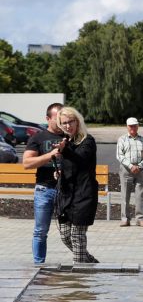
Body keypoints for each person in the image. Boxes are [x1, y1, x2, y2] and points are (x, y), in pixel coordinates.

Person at [54, 106, 99, 263]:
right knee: (65, 235)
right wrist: (59, 173)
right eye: (64, 123)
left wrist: (64, 150)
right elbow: (69, 166)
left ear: (77, 121)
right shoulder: (67, 142)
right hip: (67, 196)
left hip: (84, 195)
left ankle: (79, 277)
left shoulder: (88, 141)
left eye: (70, 122)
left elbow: (80, 159)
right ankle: (90, 262)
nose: (68, 126)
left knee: (77, 236)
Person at [22, 102, 65, 264]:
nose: (62, 121)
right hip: (45, 189)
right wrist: (50, 155)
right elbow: (27, 163)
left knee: (73, 230)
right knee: (40, 231)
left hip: (67, 190)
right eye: (57, 118)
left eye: (64, 117)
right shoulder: (38, 138)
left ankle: (79, 263)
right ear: (48, 118)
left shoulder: (70, 136)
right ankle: (39, 264)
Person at [116, 116, 143, 227]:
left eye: (135, 125)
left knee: (140, 194)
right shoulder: (122, 139)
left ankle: (140, 219)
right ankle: (125, 219)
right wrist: (130, 166)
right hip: (126, 169)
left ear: (138, 126)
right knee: (125, 194)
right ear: (127, 127)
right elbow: (119, 155)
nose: (133, 128)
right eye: (130, 126)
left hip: (140, 170)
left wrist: (139, 166)